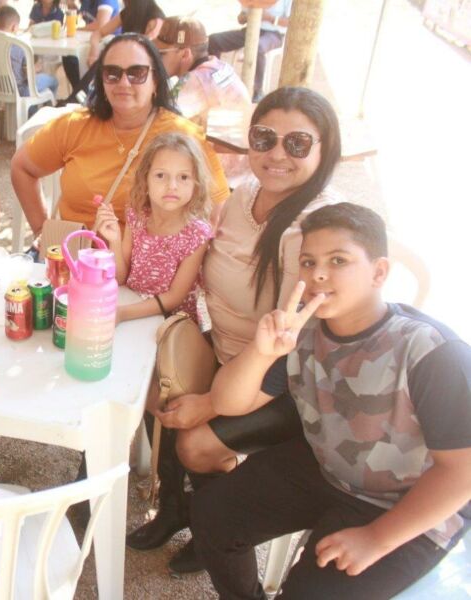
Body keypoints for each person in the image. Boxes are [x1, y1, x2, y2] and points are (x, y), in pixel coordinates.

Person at [196, 202, 471, 599]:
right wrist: (261, 353)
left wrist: (377, 538)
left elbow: (462, 472)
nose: (317, 275)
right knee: (213, 514)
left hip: (408, 506)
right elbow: (228, 403)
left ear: (379, 272)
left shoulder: (431, 352)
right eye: (308, 262)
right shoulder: (301, 331)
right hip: (328, 469)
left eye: (338, 260)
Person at [127, 86, 347, 576]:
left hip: (286, 382)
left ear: (324, 149)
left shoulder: (319, 227)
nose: (276, 154)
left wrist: (209, 403)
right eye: (265, 137)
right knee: (150, 386)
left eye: (296, 143)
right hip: (226, 350)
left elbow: (296, 347)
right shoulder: (243, 194)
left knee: (195, 442)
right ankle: (176, 508)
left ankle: (211, 528)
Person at [11, 33, 229, 247]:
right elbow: (22, 167)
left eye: (137, 73)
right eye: (112, 73)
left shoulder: (183, 136)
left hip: (145, 266)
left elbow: (217, 211)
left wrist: (183, 258)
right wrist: (42, 230)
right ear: (102, 81)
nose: (124, 82)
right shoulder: (75, 125)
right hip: (74, 258)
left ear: (155, 80)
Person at [94, 133, 213, 324]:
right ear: (145, 180)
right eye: (160, 175)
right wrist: (114, 241)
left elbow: (174, 297)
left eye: (183, 177)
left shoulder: (197, 234)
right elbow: (121, 277)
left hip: (169, 324)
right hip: (129, 307)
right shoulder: (137, 215)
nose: (172, 186)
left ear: (196, 185)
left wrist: (122, 314)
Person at [155, 16, 250, 128]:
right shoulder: (215, 64)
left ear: (185, 54)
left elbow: (162, 120)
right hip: (239, 133)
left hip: (226, 137)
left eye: (161, 54)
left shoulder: (195, 80)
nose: (155, 58)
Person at [208, 0, 292, 103]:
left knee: (258, 47)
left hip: (274, 34)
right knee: (214, 40)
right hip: (251, 29)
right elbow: (241, 18)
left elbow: (290, 21)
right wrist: (243, 17)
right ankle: (213, 80)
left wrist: (270, 18)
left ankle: (258, 90)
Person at [0, 6, 57, 101]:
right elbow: (28, 74)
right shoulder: (19, 46)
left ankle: (32, 107)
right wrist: (35, 68)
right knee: (53, 81)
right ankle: (39, 108)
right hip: (21, 91)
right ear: (14, 27)